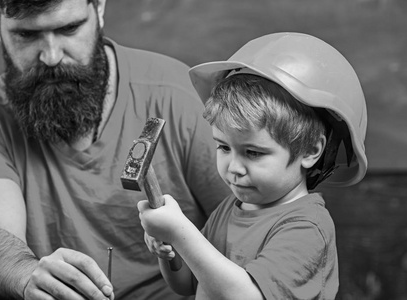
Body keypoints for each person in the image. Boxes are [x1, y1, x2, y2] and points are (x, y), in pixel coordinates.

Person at [0, 0, 230, 299]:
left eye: (69, 28)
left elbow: (252, 227)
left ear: (100, 9)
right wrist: (24, 272)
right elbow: (0, 235)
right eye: (26, 35)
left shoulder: (176, 96)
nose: (52, 57)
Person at [137, 32, 368, 299]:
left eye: (253, 153)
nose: (234, 167)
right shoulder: (230, 210)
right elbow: (188, 284)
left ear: (311, 150)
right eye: (224, 147)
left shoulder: (306, 228)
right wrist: (171, 250)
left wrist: (180, 231)